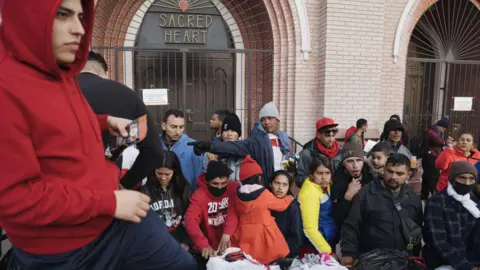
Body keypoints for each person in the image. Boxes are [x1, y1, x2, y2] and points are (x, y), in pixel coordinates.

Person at [0, 0, 196, 269]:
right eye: (63, 14)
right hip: (69, 248)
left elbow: (48, 126)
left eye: (82, 17)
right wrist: (110, 201)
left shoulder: (56, 71)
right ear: (28, 14)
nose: (80, 29)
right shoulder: (6, 86)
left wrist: (103, 122)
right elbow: (14, 199)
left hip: (104, 216)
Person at [79, 51, 163, 189]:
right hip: (106, 187)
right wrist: (125, 183)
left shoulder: (60, 91)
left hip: (63, 188)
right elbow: (154, 151)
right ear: (105, 72)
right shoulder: (127, 95)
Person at [340, 154, 423, 266]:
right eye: (390, 171)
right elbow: (351, 225)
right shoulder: (366, 193)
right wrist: (348, 253)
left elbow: (416, 229)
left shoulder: (412, 197)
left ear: (408, 175)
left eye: (399, 173)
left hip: (404, 260)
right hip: (372, 260)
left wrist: (415, 254)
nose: (393, 176)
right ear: (384, 169)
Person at [189, 102, 291, 185]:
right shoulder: (257, 140)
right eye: (263, 120)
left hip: (281, 185)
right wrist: (210, 146)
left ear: (277, 119)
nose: (267, 122)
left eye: (270, 118)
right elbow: (234, 146)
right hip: (267, 187)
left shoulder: (283, 138)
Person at [233, 156, 294, 264]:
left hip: (245, 232)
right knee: (266, 258)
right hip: (263, 232)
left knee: (250, 259)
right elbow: (280, 205)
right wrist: (289, 198)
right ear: (259, 178)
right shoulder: (264, 194)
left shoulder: (238, 195)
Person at [423, 161, 480, 270]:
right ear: (452, 179)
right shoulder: (436, 202)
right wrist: (465, 266)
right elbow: (439, 241)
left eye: (471, 179)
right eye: (462, 178)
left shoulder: (474, 202)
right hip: (443, 261)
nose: (467, 183)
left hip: (471, 260)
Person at [184, 161, 239, 266]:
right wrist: (203, 244)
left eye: (223, 183)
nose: (219, 187)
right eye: (215, 183)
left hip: (232, 242)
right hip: (210, 246)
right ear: (207, 181)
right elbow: (190, 220)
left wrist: (227, 233)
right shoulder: (199, 195)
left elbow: (234, 211)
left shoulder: (233, 188)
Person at [140, 151, 193, 251]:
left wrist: (187, 241)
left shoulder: (183, 189)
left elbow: (191, 218)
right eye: (159, 173)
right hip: (154, 239)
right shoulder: (145, 191)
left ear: (175, 171)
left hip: (179, 237)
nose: (163, 178)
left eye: (167, 174)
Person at [331, 143, 373, 244]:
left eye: (358, 160)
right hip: (346, 236)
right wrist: (348, 196)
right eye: (350, 161)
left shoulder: (371, 178)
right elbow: (336, 218)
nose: (355, 165)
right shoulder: (337, 182)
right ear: (343, 164)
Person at [298, 155, 337, 257]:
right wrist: (328, 253)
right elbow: (310, 229)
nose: (324, 177)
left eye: (327, 173)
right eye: (319, 173)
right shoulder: (309, 193)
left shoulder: (322, 185)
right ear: (312, 174)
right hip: (315, 247)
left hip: (326, 238)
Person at [160, 109, 204, 189]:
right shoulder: (154, 145)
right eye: (173, 127)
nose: (178, 131)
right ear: (164, 126)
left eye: (181, 127)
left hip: (185, 195)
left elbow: (198, 175)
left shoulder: (193, 146)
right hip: (161, 195)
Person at [296, 117, 342, 187]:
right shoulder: (307, 154)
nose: (331, 139)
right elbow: (299, 179)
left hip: (335, 194)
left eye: (333, 135)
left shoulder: (340, 152)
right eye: (327, 136)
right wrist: (317, 182)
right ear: (318, 135)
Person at [269, 170, 303, 258]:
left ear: (288, 187)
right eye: (277, 183)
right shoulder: (264, 202)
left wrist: (279, 253)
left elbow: (296, 239)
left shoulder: (292, 206)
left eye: (284, 184)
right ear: (270, 184)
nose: (280, 188)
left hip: (285, 255)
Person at [203, 113, 244, 183]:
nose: (229, 134)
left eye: (233, 131)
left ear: (238, 134)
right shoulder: (211, 152)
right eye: (225, 130)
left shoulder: (245, 152)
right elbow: (205, 177)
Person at [421, 119, 451, 200]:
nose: (443, 131)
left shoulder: (434, 131)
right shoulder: (431, 132)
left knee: (427, 176)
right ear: (439, 126)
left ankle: (424, 195)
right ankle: (434, 194)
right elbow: (440, 141)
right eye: (443, 129)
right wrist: (445, 142)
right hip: (430, 157)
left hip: (431, 156)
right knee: (432, 176)